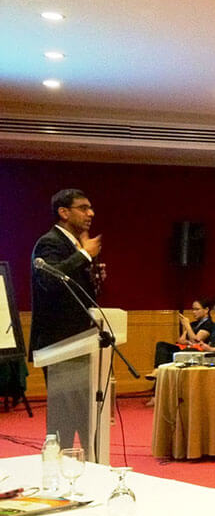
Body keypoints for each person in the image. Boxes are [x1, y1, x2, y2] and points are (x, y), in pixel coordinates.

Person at [30, 188, 105, 452]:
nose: (90, 213)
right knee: (64, 417)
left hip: (80, 341)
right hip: (60, 343)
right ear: (63, 212)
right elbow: (49, 280)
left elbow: (74, 293)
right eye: (83, 208)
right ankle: (61, 465)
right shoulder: (49, 243)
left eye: (91, 208)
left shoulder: (73, 245)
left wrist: (93, 276)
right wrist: (84, 256)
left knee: (83, 414)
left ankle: (86, 463)